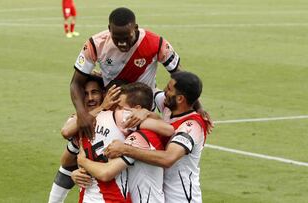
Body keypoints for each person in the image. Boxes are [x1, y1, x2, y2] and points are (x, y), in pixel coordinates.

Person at [70, 7, 186, 139]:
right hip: (112, 113)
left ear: (135, 28)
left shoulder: (155, 43)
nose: (122, 43)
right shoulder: (96, 44)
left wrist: (197, 106)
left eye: (126, 37)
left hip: (143, 113)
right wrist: (82, 114)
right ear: (109, 29)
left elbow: (181, 78)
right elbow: (76, 83)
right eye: (117, 38)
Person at [105, 71, 208, 203]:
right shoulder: (168, 107)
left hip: (181, 198)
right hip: (162, 194)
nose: (165, 91)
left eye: (169, 89)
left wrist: (125, 149)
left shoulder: (192, 126)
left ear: (180, 98)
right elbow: (149, 90)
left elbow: (168, 159)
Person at [77, 82, 169, 203]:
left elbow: (106, 172)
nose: (115, 112)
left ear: (137, 110)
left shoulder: (140, 137)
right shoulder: (126, 133)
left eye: (120, 108)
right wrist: (78, 172)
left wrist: (82, 161)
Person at [48, 75, 114, 203]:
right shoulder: (78, 120)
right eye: (85, 94)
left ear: (103, 93)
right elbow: (66, 159)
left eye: (94, 92)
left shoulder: (114, 116)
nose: (90, 98)